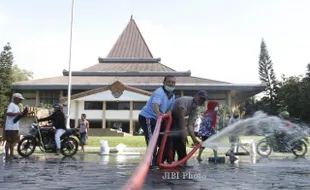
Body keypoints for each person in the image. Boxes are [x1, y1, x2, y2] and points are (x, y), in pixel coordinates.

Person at [139, 75, 176, 167]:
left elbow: (169, 109)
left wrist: (167, 114)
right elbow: (155, 105)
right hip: (148, 117)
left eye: (173, 82)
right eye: (169, 82)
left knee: (166, 139)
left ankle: (159, 161)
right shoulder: (159, 92)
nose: (171, 84)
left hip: (159, 119)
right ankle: (150, 163)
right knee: (152, 140)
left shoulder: (172, 96)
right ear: (164, 83)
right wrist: (158, 113)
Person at [171, 90, 207, 164]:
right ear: (196, 96)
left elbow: (190, 125)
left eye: (203, 100)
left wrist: (194, 139)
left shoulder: (194, 107)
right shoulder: (185, 100)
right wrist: (184, 133)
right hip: (169, 117)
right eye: (200, 98)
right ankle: (170, 161)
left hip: (176, 120)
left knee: (180, 140)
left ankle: (182, 161)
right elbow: (181, 116)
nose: (201, 101)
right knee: (175, 139)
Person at [4, 93, 26, 160]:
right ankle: (7, 155)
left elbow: (16, 115)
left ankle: (12, 154)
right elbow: (8, 113)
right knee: (9, 141)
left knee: (13, 141)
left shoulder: (16, 106)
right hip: (10, 127)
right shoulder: (11, 105)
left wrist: (22, 114)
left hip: (14, 126)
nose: (20, 101)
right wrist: (17, 113)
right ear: (15, 98)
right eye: (19, 99)